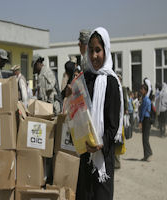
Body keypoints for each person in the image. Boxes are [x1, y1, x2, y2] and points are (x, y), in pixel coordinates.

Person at [76, 27, 123, 200]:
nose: (94, 56)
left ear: (106, 50)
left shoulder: (111, 82)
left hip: (103, 154)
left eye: (98, 50)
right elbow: (79, 113)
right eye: (91, 50)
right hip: (85, 154)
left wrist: (101, 144)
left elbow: (113, 124)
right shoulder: (85, 78)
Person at [139, 84, 153, 162]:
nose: (141, 90)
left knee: (145, 138)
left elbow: (143, 111)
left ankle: (148, 153)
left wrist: (140, 121)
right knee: (144, 138)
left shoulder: (146, 100)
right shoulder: (144, 99)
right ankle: (146, 155)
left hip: (146, 119)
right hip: (145, 119)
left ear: (146, 91)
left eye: (142, 89)